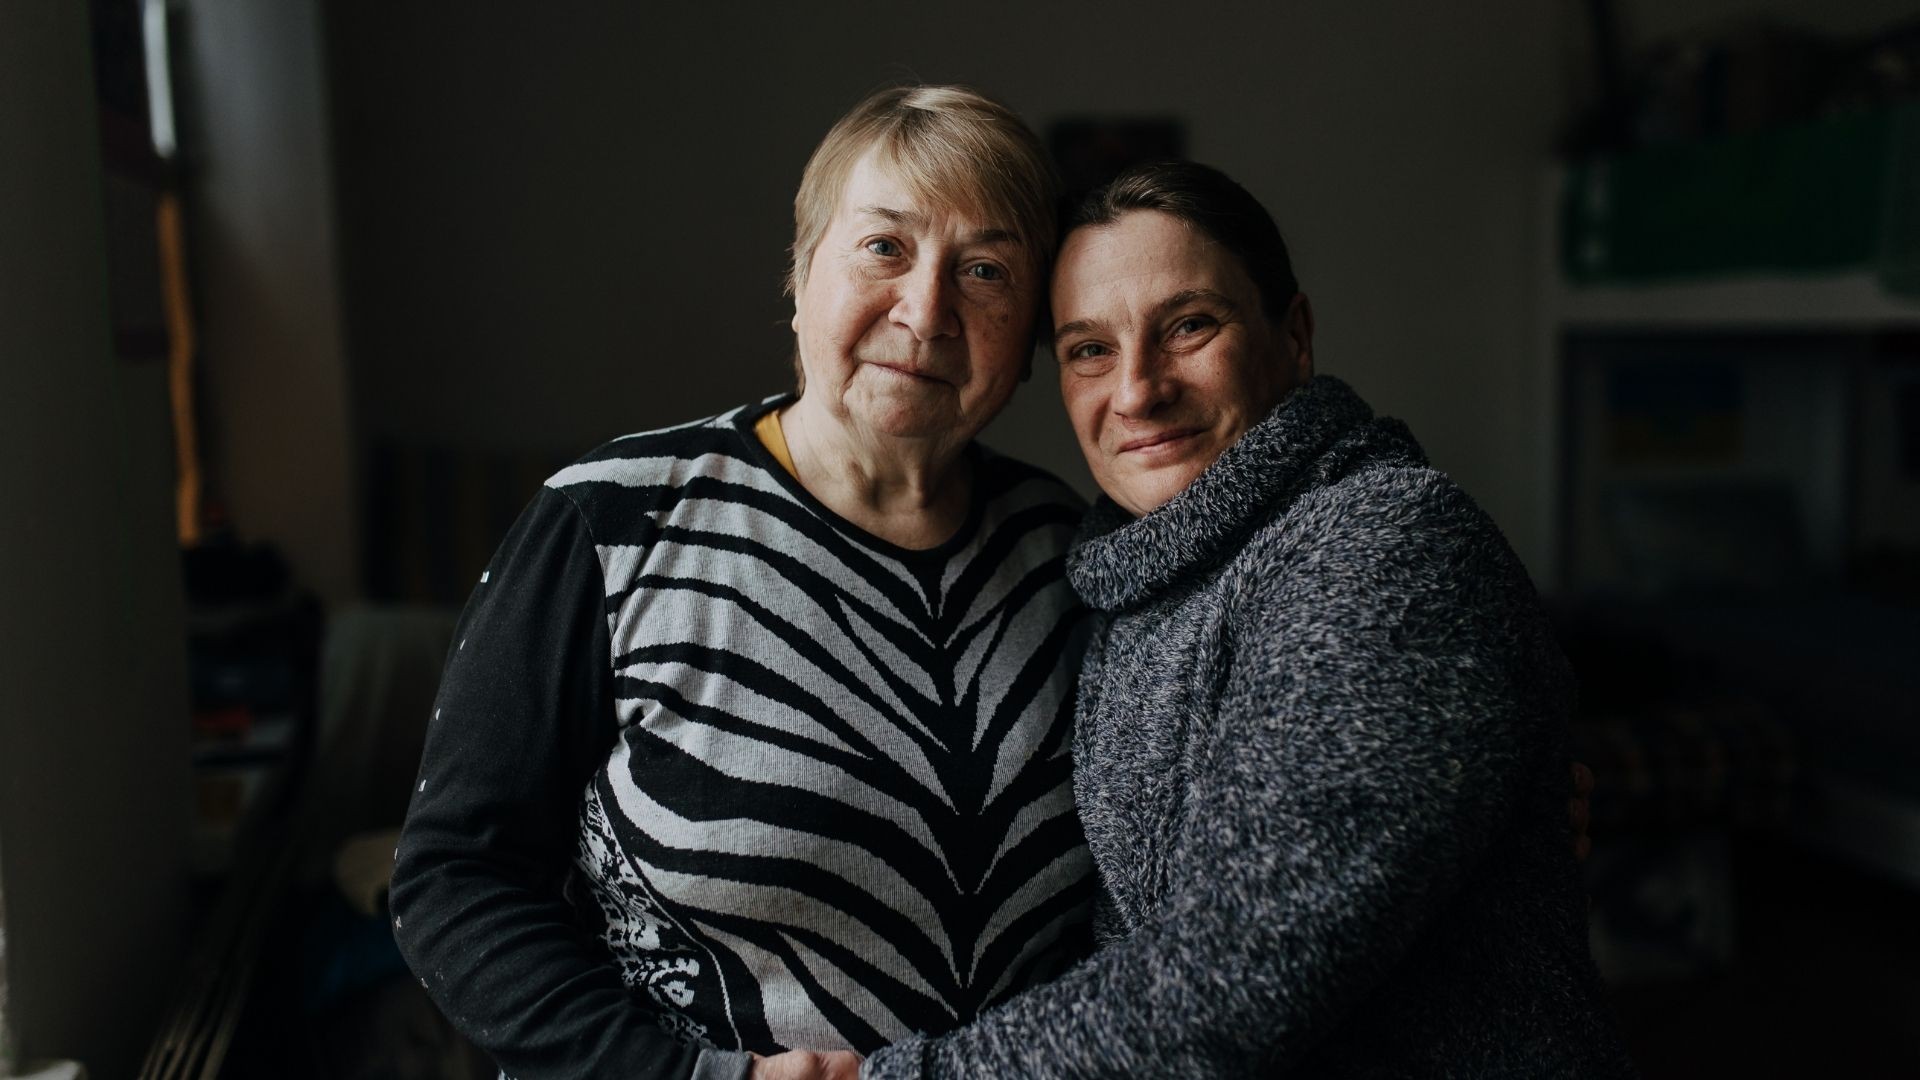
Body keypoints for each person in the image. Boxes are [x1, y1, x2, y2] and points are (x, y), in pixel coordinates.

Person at [858, 162, 1634, 1077]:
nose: (1139, 390)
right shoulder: (1141, 578)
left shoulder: (1381, 543)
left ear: (1293, 336)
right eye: (1089, 350)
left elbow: (1234, 974)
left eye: (1190, 326)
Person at [390, 86, 1096, 1080]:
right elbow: (453, 882)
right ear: (802, 275)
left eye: (985, 271)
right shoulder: (611, 521)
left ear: (1026, 338)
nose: (927, 309)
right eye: (885, 248)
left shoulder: (1073, 552)